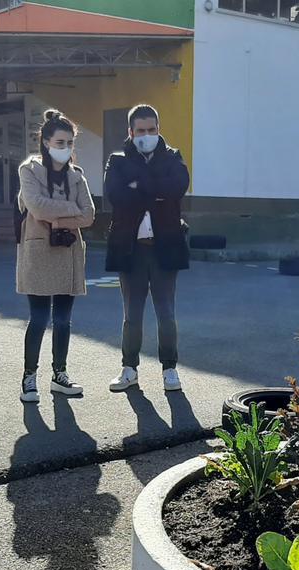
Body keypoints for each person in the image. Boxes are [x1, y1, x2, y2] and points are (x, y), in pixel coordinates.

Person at [103, 104, 191, 393]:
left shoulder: (173, 156)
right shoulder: (117, 161)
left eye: (151, 129)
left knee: (166, 313)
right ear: (130, 132)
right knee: (132, 314)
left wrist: (138, 185)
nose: (146, 135)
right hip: (130, 249)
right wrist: (156, 190)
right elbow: (115, 195)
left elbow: (177, 187)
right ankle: (129, 369)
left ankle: (170, 369)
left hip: (165, 247)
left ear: (158, 129)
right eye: (140, 130)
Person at [16, 110, 95, 403]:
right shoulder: (29, 170)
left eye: (70, 143)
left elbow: (89, 215)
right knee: (38, 318)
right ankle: (29, 377)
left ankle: (59, 374)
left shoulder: (77, 175)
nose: (65, 148)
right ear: (45, 141)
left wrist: (58, 220)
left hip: (68, 251)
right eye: (60, 142)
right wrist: (69, 212)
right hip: (38, 250)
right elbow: (36, 208)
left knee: (63, 320)